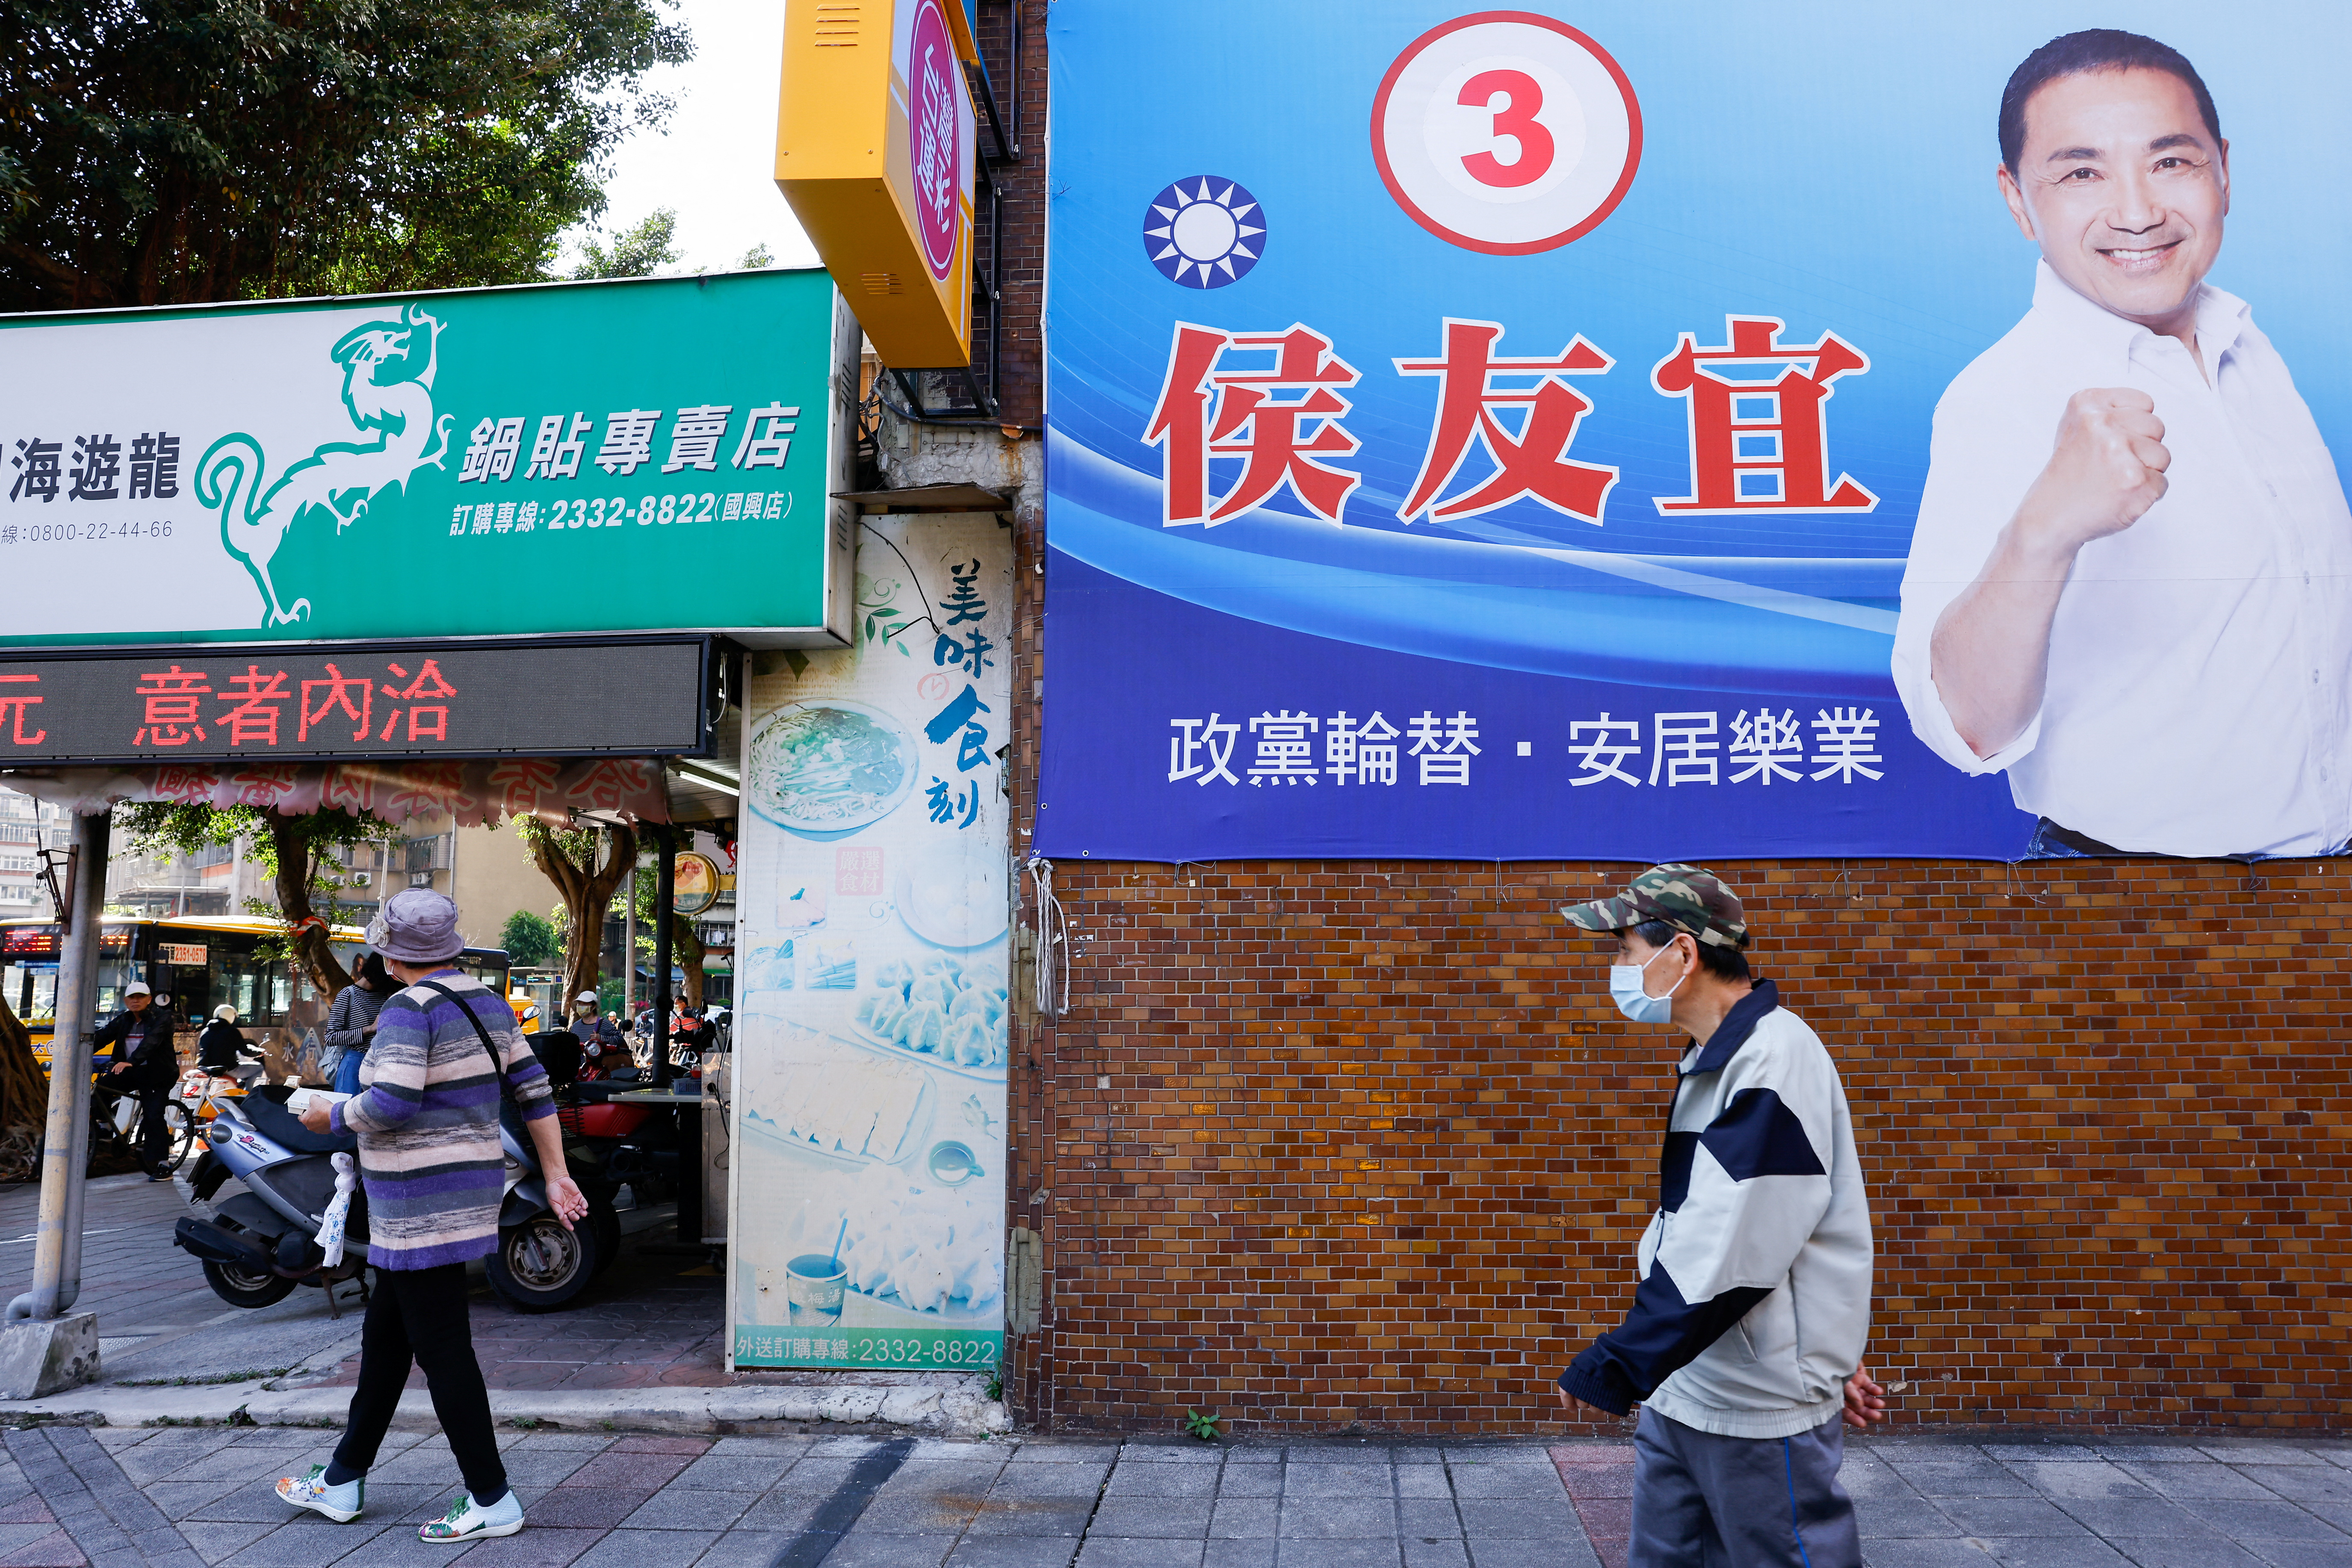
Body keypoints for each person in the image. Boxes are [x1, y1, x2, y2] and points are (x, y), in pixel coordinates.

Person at [1893, 28, 2352, 860]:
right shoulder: (1999, 396)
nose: (2138, 211)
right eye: (2080, 172)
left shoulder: (2246, 345)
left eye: (2169, 162)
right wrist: (2043, 528)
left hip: (2321, 882)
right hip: (2140, 897)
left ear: (2221, 168)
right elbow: (1962, 726)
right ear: (2015, 199)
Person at [1551, 865, 1883, 1568]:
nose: (1618, 969)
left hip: (1754, 1412)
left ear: (1683, 952)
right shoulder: (1717, 1056)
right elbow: (1750, 1226)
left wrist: (1617, 1362)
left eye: (1624, 949)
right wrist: (1825, 1341)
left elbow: (1730, 1244)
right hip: (1693, 1386)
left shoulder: (1773, 1060)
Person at [277, 889, 587, 1544]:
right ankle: (341, 1478)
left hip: (417, 1201)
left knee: (444, 1349)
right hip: (468, 1193)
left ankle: (492, 1498)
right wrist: (557, 1173)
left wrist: (328, 1113)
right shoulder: (489, 1002)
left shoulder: (405, 1008)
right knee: (386, 1338)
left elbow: (389, 1103)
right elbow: (533, 1093)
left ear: (391, 956)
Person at [93, 980, 179, 1180]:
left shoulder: (162, 1018)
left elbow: (152, 1042)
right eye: (132, 997)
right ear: (125, 1001)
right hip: (132, 1070)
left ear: (149, 1000)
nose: (136, 1001)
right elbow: (102, 1037)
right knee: (101, 1088)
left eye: (141, 997)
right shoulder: (123, 1020)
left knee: (153, 1116)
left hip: (158, 1074)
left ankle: (163, 1166)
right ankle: (105, 1129)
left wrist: (131, 1061)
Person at [320, 951, 395, 1093]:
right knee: (347, 1109)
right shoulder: (348, 995)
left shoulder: (387, 995)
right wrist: (370, 1029)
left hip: (381, 1063)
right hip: (355, 1062)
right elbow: (331, 1037)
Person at [195, 1004, 264, 1075]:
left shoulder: (205, 1031)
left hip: (205, 1068)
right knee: (259, 1068)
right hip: (227, 1068)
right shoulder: (232, 1031)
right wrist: (259, 1053)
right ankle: (249, 1086)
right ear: (231, 1016)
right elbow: (245, 1052)